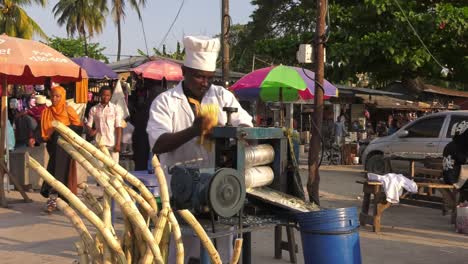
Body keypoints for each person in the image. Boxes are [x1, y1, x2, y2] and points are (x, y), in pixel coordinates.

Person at [147, 35, 253, 264]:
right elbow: (158, 143)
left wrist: (237, 139)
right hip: (181, 193)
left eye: (209, 77)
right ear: (184, 71)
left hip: (219, 191)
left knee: (219, 252)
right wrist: (195, 130)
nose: (204, 82)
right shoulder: (165, 101)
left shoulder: (222, 96)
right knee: (184, 252)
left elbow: (246, 127)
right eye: (198, 76)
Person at [40, 86, 82, 213]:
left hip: (65, 147)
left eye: (58, 96)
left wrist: (62, 130)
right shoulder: (46, 111)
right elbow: (44, 132)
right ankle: (54, 200)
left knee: (64, 173)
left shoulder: (68, 109)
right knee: (53, 171)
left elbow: (78, 127)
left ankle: (62, 200)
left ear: (62, 97)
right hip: (53, 147)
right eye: (53, 96)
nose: (54, 98)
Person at [86, 86, 123, 162]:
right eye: (103, 95)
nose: (105, 97)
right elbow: (88, 125)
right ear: (100, 95)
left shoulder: (115, 108)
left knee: (115, 169)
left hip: (112, 143)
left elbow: (118, 127)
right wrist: (90, 131)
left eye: (108, 95)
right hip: (99, 144)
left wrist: (118, 144)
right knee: (100, 169)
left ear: (110, 96)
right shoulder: (94, 109)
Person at [443, 123, 468, 202]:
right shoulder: (457, 147)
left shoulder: (451, 144)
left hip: (450, 176)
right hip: (454, 178)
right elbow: (463, 160)